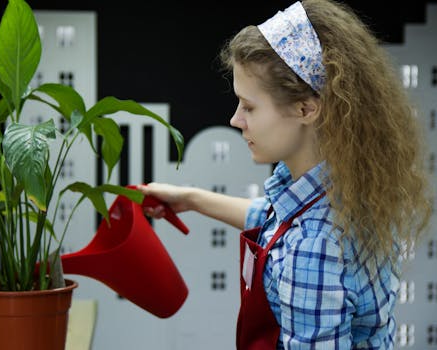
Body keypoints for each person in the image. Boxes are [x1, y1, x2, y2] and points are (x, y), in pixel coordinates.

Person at [138, 0, 433, 348]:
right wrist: (190, 200)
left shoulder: (314, 248)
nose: (236, 120)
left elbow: (298, 240)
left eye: (249, 106)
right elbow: (273, 219)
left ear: (306, 109)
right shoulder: (342, 189)